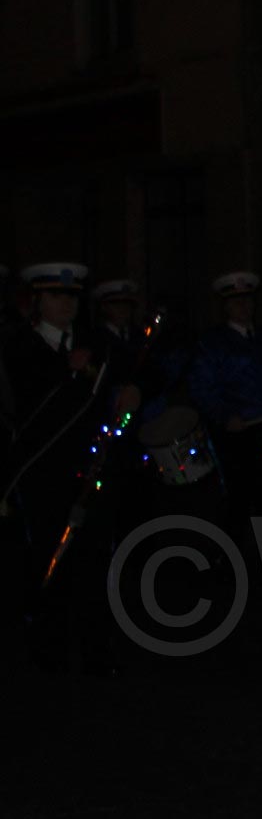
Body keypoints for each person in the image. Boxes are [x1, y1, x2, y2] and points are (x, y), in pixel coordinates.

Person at [0, 263, 143, 673]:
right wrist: (67, 370)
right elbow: (28, 397)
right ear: (38, 301)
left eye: (72, 297)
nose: (66, 304)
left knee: (95, 557)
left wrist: (131, 392)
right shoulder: (18, 344)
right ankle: (49, 650)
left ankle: (97, 650)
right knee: (49, 557)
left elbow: (127, 376)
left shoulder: (95, 342)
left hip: (91, 465)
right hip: (44, 470)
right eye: (56, 296)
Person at [184, 270, 262, 522]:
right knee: (238, 498)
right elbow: (201, 388)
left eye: (247, 300)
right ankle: (233, 546)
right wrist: (225, 416)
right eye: (236, 301)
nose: (244, 306)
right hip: (237, 432)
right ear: (226, 306)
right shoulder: (212, 343)